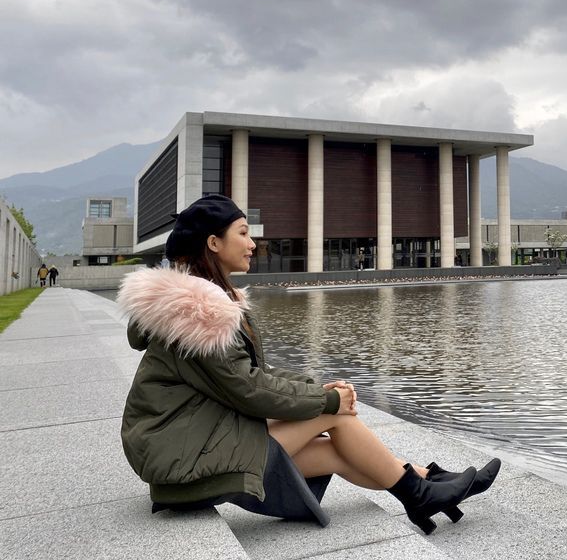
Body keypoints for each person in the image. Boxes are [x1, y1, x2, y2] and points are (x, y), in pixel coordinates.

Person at [119, 194, 499, 533]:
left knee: (337, 449)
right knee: (334, 416)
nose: (253, 244)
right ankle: (423, 492)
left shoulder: (203, 301)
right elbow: (249, 389)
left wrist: (319, 389)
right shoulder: (196, 314)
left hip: (194, 440)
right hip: (181, 459)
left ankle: (427, 485)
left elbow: (253, 376)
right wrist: (327, 401)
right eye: (243, 233)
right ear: (214, 243)